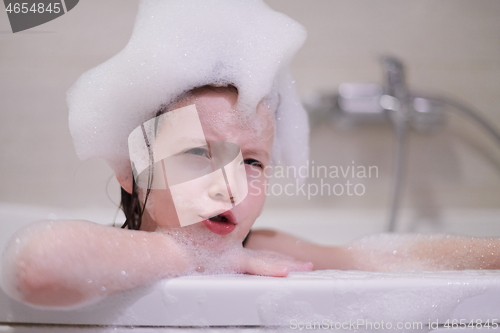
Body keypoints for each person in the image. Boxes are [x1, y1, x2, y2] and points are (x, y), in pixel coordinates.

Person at [1, 0, 499, 310]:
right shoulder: (104, 252)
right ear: (132, 170)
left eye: (253, 162)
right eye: (198, 152)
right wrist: (185, 255)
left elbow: (380, 259)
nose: (229, 184)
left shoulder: (263, 245)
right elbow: (37, 266)